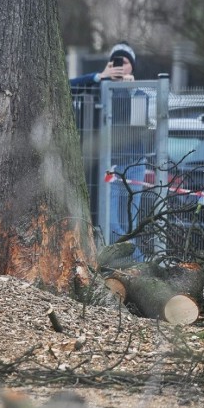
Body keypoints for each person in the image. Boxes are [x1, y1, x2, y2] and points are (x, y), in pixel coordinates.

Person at [70, 42, 148, 258]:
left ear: (132, 67)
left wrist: (127, 91)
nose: (120, 66)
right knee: (112, 223)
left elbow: (137, 125)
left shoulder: (138, 93)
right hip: (110, 165)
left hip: (134, 164)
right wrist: (98, 76)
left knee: (129, 220)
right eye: (116, 61)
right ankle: (137, 261)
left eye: (125, 62)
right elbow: (66, 86)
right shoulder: (98, 87)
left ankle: (127, 264)